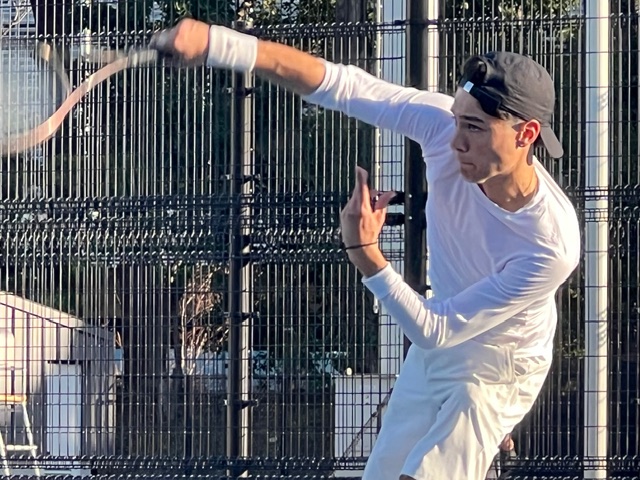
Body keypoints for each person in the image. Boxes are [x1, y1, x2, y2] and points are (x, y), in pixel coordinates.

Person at [150, 19, 581, 480]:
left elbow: (436, 328)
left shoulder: (549, 243)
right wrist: (218, 43)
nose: (456, 140)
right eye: (457, 119)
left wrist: (365, 253)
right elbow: (343, 85)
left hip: (499, 371)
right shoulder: (443, 129)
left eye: (474, 127)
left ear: (525, 134)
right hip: (436, 355)